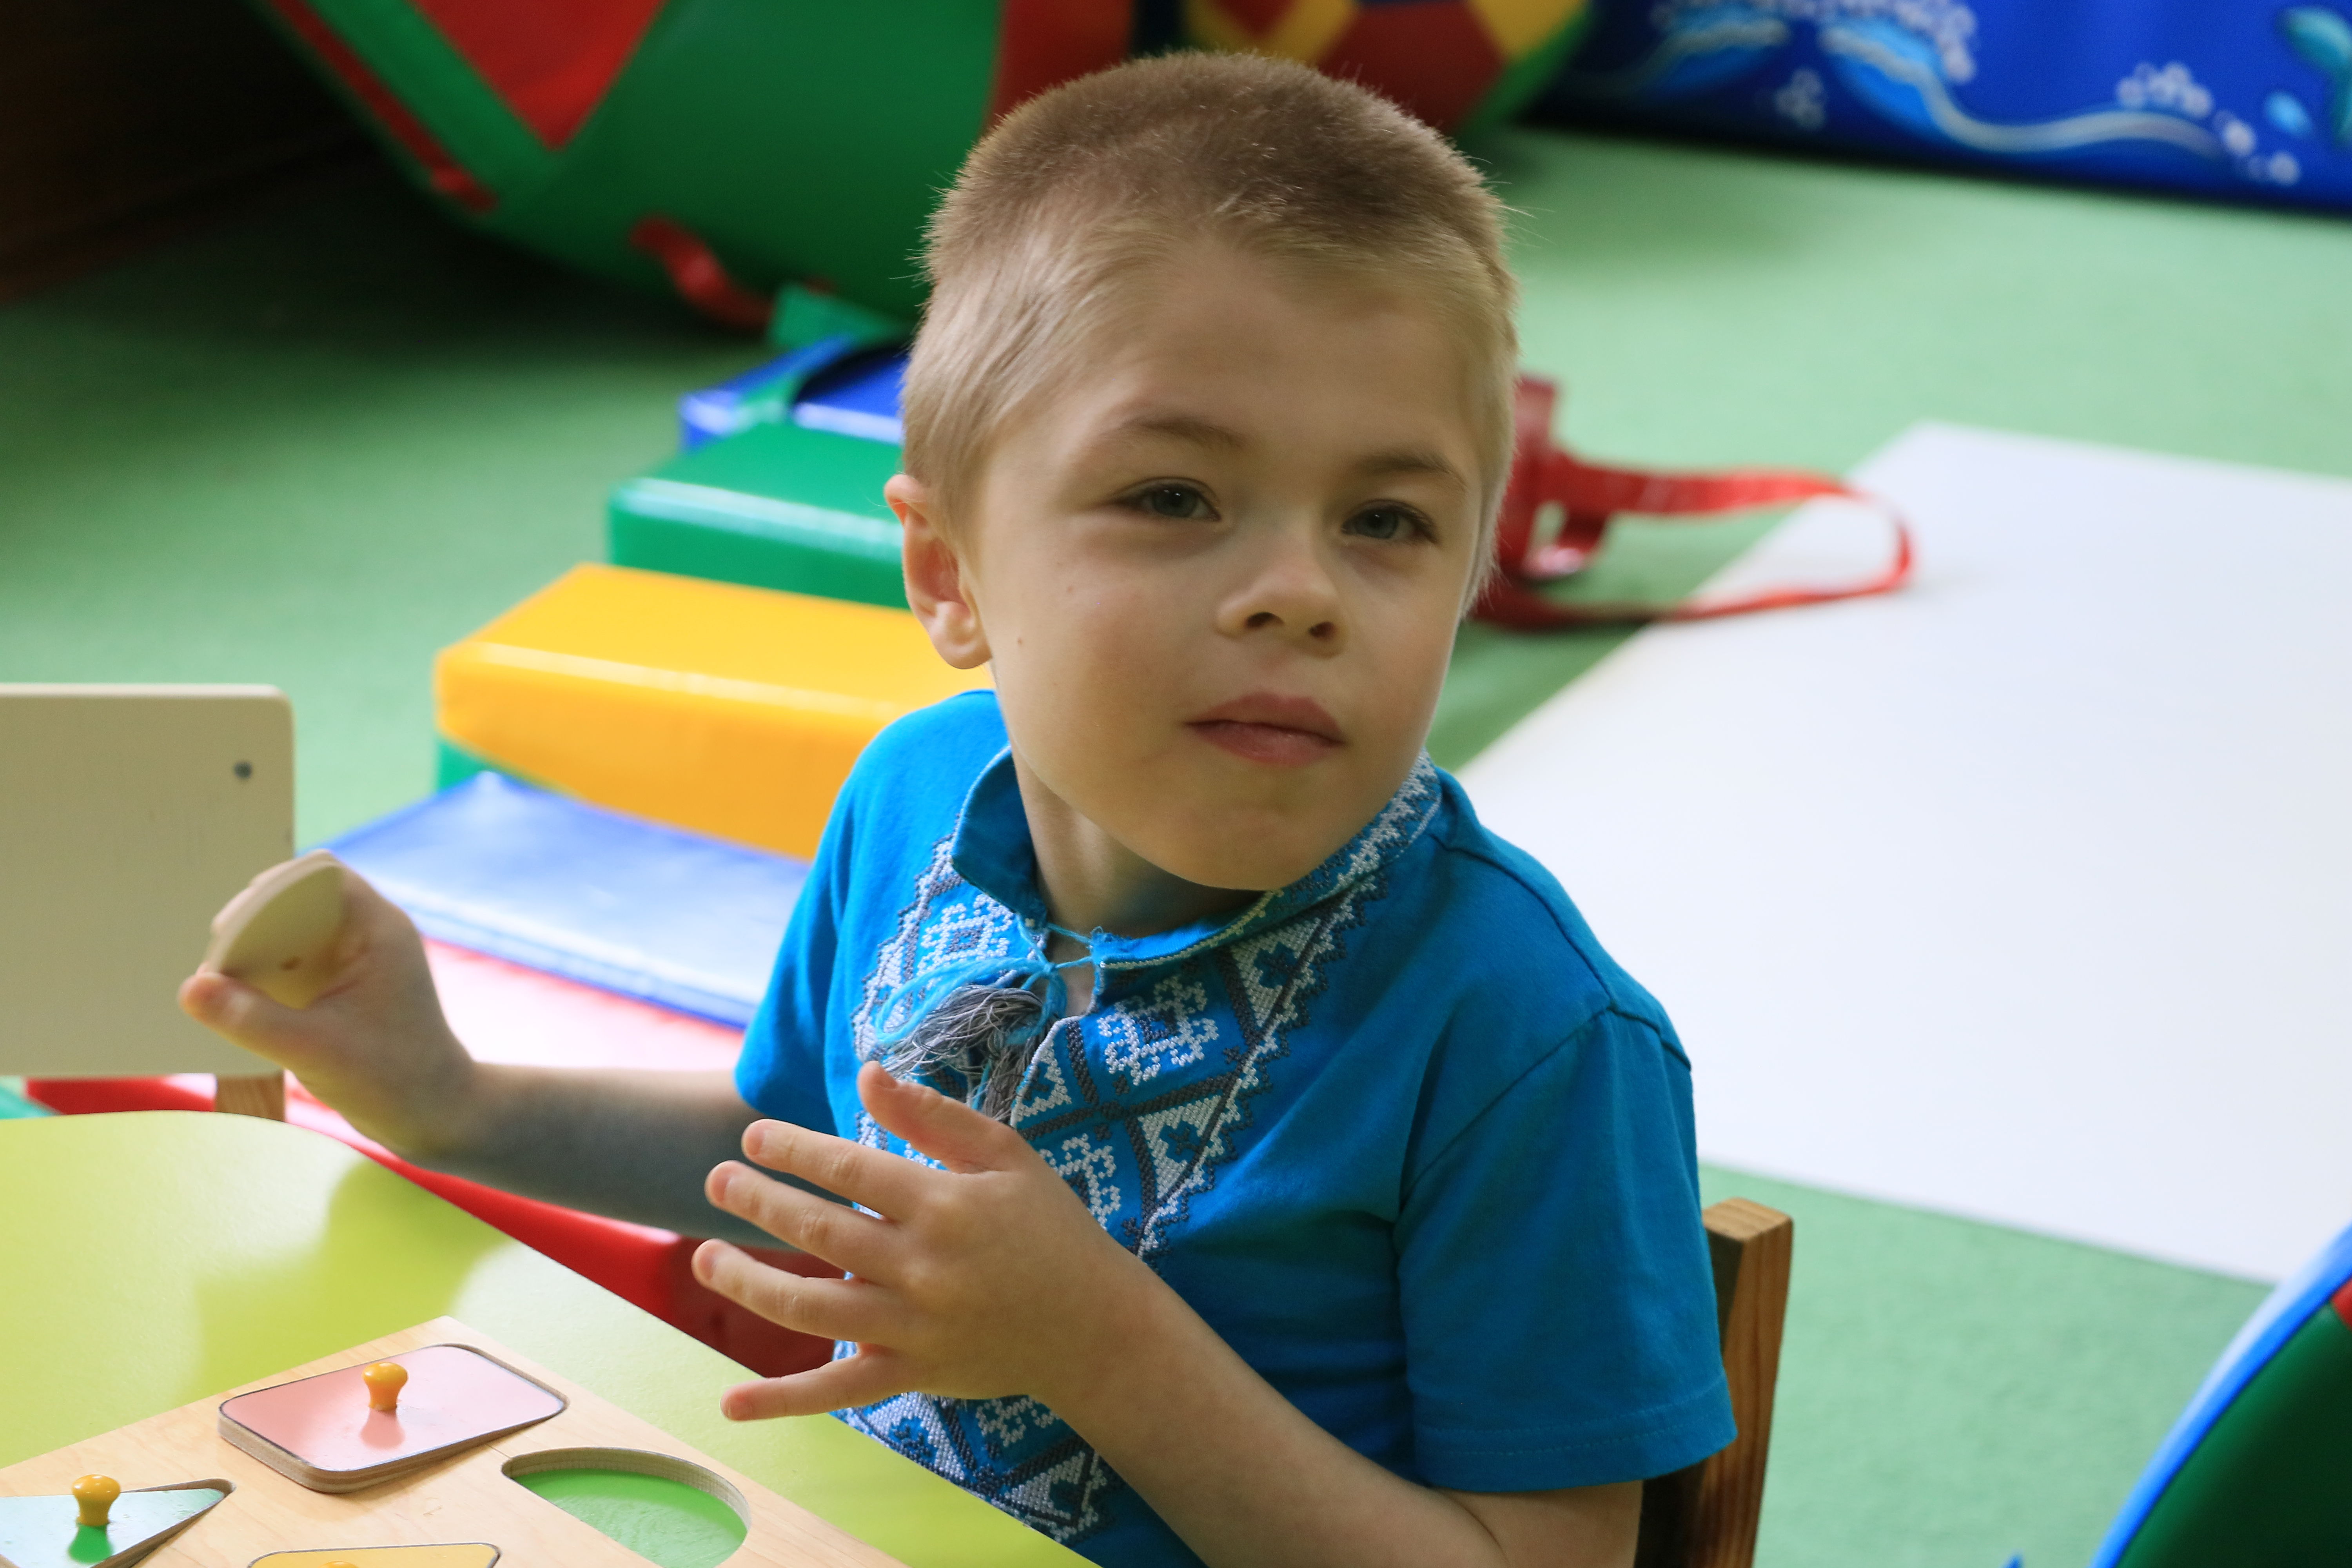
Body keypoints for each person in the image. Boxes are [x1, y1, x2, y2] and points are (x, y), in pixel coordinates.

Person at [182, 52, 1732, 1568]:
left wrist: (1101, 1346)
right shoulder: (912, 792)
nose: (1298, 591)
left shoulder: (1530, 1038)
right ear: (948, 575)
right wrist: (449, 1100)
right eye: (1175, 496)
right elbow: (807, 1162)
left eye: (1387, 521)